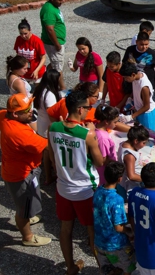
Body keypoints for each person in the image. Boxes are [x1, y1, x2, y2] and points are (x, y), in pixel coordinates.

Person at [48, 90, 104, 274]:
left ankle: (71, 267)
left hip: (63, 186)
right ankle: (103, 268)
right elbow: (100, 162)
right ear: (80, 109)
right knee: (92, 231)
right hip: (85, 189)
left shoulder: (54, 128)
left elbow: (51, 155)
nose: (90, 110)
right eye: (88, 107)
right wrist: (93, 132)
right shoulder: (86, 134)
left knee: (66, 228)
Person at [0, 94, 51, 247]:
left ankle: (28, 218)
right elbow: (47, 145)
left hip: (12, 168)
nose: (32, 111)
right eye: (27, 109)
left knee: (27, 203)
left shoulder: (0, 115)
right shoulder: (20, 133)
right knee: (22, 209)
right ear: (15, 114)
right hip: (21, 175)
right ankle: (28, 237)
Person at [93, 161, 136, 275]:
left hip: (99, 241)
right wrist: (129, 231)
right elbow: (118, 227)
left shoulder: (98, 192)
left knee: (108, 270)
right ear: (119, 179)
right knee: (128, 268)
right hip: (116, 244)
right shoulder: (117, 199)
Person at [40, 0, 67, 90]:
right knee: (58, 69)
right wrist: (57, 44)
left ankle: (45, 80)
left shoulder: (52, 7)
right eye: (59, 0)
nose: (61, 2)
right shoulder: (49, 10)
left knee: (55, 63)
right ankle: (62, 89)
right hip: (54, 44)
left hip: (57, 42)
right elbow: (50, 29)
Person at [119, 63, 155, 130]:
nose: (125, 80)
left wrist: (131, 116)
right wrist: (130, 98)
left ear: (133, 75)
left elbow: (146, 106)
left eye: (126, 78)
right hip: (139, 111)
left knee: (148, 135)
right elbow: (136, 90)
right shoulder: (136, 77)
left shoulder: (144, 87)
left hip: (147, 114)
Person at [118, 123, 149, 193]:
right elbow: (131, 176)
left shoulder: (125, 143)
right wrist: (148, 179)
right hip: (130, 187)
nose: (144, 145)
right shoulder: (130, 155)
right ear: (136, 141)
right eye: (144, 143)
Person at [14, 18, 46, 84]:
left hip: (36, 70)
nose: (23, 36)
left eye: (25, 33)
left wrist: (36, 70)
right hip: (23, 71)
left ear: (30, 30)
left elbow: (43, 58)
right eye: (21, 33)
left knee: (38, 91)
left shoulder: (37, 41)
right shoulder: (18, 39)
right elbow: (18, 55)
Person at [94, 105, 120, 185]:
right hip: (103, 172)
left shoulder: (95, 126)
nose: (116, 124)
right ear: (106, 122)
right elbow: (103, 160)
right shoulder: (103, 138)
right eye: (115, 122)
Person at [33, 68, 61, 139]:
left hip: (40, 126)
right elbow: (52, 115)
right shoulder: (50, 95)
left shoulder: (39, 89)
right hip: (47, 130)